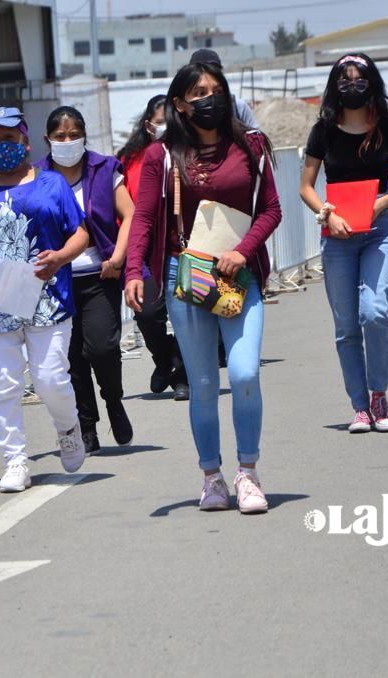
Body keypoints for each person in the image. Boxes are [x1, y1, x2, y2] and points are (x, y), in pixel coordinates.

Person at [125, 61, 282, 513]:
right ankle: (212, 477)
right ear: (179, 103)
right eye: (199, 92)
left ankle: (248, 473)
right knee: (203, 384)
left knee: (246, 373)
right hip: (185, 276)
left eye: (217, 90)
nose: (210, 98)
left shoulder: (251, 145)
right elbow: (146, 218)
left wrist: (243, 250)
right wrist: (135, 269)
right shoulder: (161, 155)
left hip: (241, 274)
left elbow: (271, 208)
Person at [0, 107, 90, 492]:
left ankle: (67, 427)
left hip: (49, 300)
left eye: (9, 138)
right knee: (5, 385)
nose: (2, 146)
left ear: (25, 140)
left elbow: (81, 234)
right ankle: (15, 461)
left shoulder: (52, 185)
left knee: (49, 380)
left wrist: (61, 257)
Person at [300, 53, 388, 433]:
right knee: (346, 326)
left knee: (375, 312)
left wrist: (377, 204)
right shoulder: (323, 131)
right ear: (335, 85)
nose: (352, 87)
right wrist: (328, 214)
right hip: (338, 235)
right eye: (344, 80)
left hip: (380, 230)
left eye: (359, 80)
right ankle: (360, 406)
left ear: (372, 83)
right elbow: (305, 187)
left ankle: (379, 394)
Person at [35, 106, 135, 453]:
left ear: (84, 136)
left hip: (100, 274)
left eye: (73, 133)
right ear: (47, 140)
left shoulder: (105, 169)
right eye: (60, 136)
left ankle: (114, 401)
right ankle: (86, 426)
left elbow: (131, 215)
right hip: (56, 282)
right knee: (71, 357)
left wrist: (118, 257)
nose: (67, 141)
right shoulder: (38, 178)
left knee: (102, 347)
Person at [118, 95, 189, 400]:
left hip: (181, 247)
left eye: (169, 120)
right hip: (143, 249)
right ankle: (166, 359)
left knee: (188, 314)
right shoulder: (127, 160)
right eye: (159, 121)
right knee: (147, 315)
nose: (164, 127)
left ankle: (183, 376)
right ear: (148, 125)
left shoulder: (188, 153)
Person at [188, 49, 259, 130]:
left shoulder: (238, 107)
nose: (208, 77)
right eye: (202, 71)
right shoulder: (187, 108)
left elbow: (257, 137)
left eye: (213, 71)